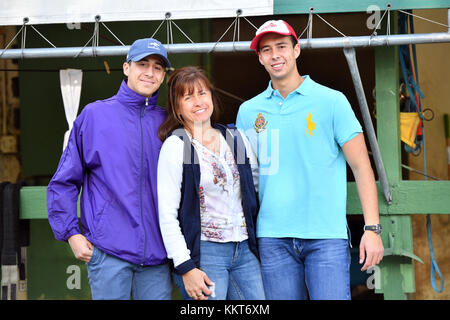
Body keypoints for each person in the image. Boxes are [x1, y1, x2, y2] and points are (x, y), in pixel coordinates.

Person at [236, 20, 384, 300]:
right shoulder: (248, 112)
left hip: (325, 236)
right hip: (272, 238)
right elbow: (243, 177)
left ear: (297, 50)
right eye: (266, 50)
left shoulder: (332, 101)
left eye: (281, 46)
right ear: (260, 58)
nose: (275, 55)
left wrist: (372, 229)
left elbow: (361, 166)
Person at [47, 38, 173, 300]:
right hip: (108, 252)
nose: (150, 72)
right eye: (142, 64)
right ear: (126, 67)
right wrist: (71, 233)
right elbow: (64, 181)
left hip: (158, 257)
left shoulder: (169, 122)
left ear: (163, 75)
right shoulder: (94, 116)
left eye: (158, 67)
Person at [157, 66, 265, 300]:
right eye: (188, 97)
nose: (198, 102)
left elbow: (253, 188)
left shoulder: (235, 138)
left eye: (202, 93)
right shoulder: (176, 146)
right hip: (204, 252)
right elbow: (167, 214)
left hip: (244, 249)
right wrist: (186, 266)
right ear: (177, 107)